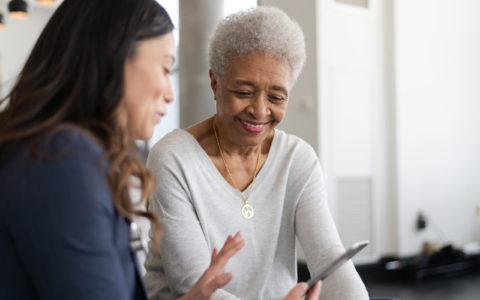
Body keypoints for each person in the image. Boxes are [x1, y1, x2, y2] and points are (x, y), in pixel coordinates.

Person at [0, 1, 251, 299]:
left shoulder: (57, 152)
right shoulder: (62, 158)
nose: (170, 94)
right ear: (114, 57)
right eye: (164, 68)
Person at [144, 6, 368, 300]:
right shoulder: (173, 159)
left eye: (276, 97)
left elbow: (328, 256)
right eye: (243, 92)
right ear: (215, 83)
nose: (260, 111)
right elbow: (194, 285)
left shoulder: (297, 159)